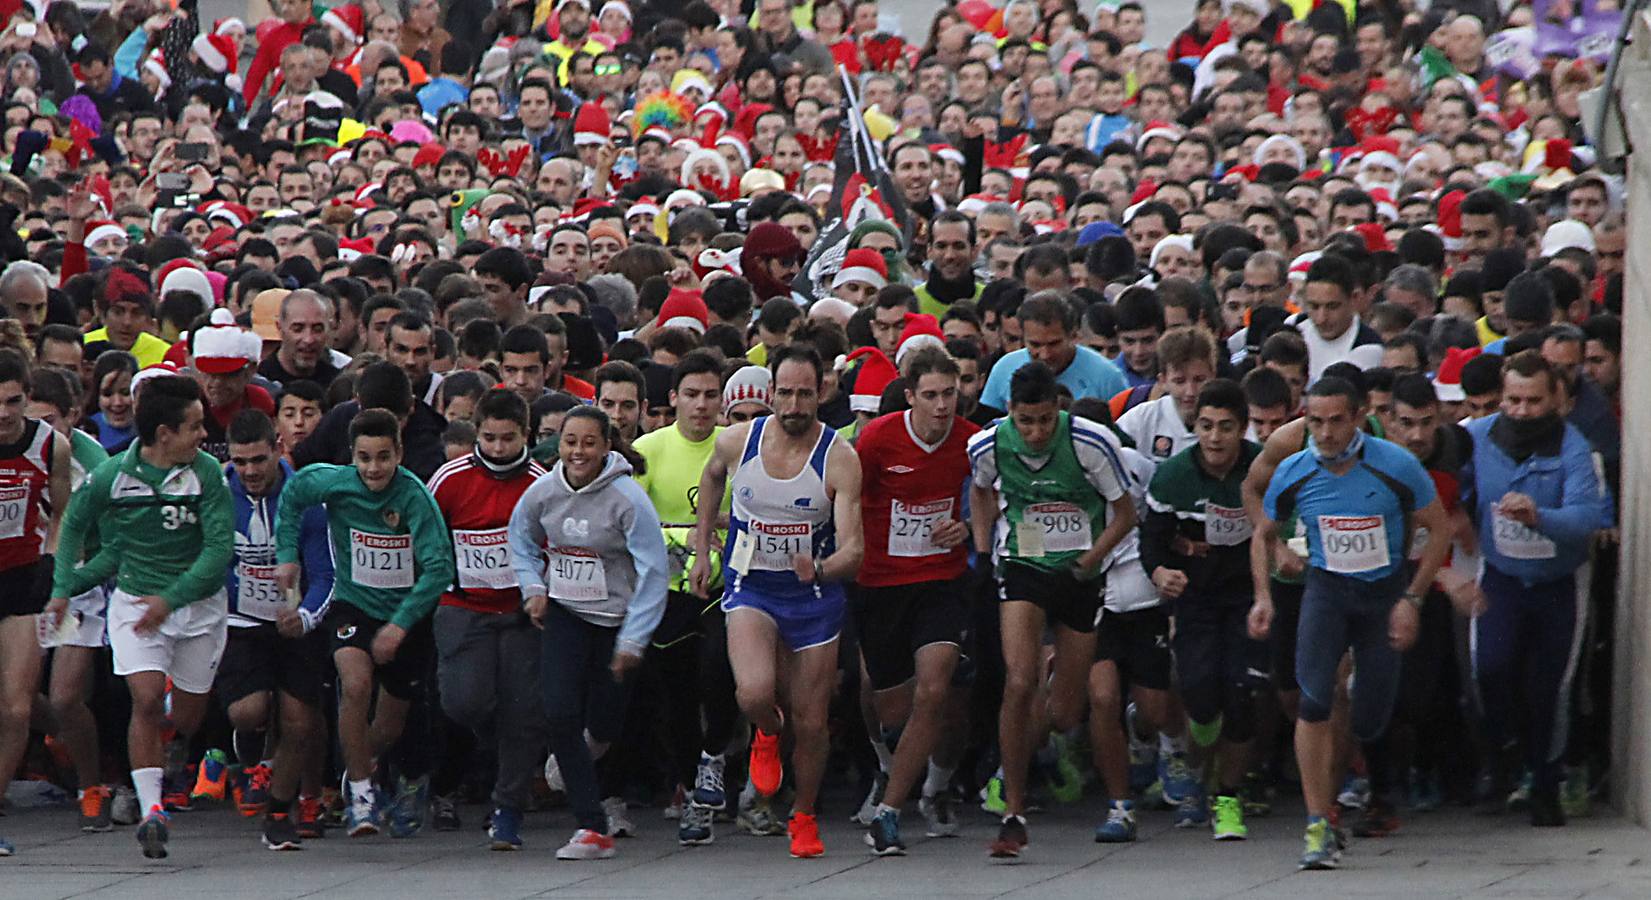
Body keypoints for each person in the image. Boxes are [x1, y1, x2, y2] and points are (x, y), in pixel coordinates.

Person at [1254, 376, 1459, 870]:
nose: (1324, 433)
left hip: (1382, 597)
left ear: (1361, 415)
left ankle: (1349, 779)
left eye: (1336, 421)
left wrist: (1411, 598)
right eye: (1315, 421)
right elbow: (1262, 532)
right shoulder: (1295, 470)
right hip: (1325, 592)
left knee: (1369, 716)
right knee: (1314, 699)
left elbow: (1440, 530)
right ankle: (1317, 823)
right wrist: (1264, 592)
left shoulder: (1395, 465)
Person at [689, 344, 865, 860]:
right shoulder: (737, 440)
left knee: (811, 722)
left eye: (803, 394)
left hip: (812, 598)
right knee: (753, 691)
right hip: (752, 586)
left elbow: (855, 549)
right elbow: (711, 477)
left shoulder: (838, 457)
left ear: (820, 393)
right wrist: (704, 552)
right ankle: (766, 732)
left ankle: (804, 814)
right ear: (771, 393)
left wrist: (824, 569)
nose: (792, 405)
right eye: (784, 393)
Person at [51, 375, 235, 860]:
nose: (203, 434)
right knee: (147, 699)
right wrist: (62, 589)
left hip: (198, 608)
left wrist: (171, 600)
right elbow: (74, 523)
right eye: (194, 426)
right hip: (135, 604)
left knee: (189, 717)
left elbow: (218, 552)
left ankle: (172, 739)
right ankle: (154, 811)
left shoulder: (208, 473)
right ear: (162, 434)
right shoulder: (113, 476)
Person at [967, 361, 1136, 860]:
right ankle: (1013, 811)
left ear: (1058, 412)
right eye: (1026, 422)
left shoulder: (1089, 443)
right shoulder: (989, 443)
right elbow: (979, 491)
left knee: (1064, 713)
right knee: (1018, 682)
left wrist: (1091, 559)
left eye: (1045, 421)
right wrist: (982, 550)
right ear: (1011, 414)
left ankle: (1057, 748)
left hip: (1080, 575)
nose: (1036, 433)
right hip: (1024, 565)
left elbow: (1125, 513)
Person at [275, 409, 455, 839]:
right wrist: (286, 554)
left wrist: (400, 625)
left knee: (388, 725)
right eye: (364, 458)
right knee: (354, 684)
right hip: (352, 605)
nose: (373, 468)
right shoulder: (332, 482)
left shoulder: (414, 498)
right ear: (351, 456)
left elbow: (439, 568)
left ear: (400, 454)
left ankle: (363, 766)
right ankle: (361, 796)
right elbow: (293, 495)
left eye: (383, 457)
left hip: (403, 616)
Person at [509, 406, 668, 861]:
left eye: (589, 443)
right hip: (565, 613)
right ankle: (591, 827)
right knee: (557, 710)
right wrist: (534, 587)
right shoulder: (542, 492)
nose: (578, 452)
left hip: (616, 624)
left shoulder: (627, 500)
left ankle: (582, 751)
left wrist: (634, 639)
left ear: (606, 447)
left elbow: (653, 572)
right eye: (570, 442)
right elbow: (519, 538)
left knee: (603, 723)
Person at [1462, 351, 1612, 826]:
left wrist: (1539, 517)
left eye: (1533, 401)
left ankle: (1546, 782)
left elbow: (1589, 518)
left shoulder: (1575, 449)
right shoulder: (1475, 438)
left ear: (1556, 401)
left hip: (1559, 584)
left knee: (1549, 689)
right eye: (1513, 400)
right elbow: (1441, 482)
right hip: (1502, 578)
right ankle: (1506, 754)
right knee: (1490, 669)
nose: (1522, 411)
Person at [853, 347, 980, 855]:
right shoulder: (878, 439)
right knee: (892, 711)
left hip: (941, 583)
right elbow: (843, 496)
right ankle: (894, 767)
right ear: (910, 397)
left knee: (935, 690)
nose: (942, 405)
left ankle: (891, 812)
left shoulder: (973, 443)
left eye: (950, 394)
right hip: (881, 585)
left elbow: (993, 502)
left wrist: (967, 527)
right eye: (930, 395)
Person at [1140, 380, 1266, 840]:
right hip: (1196, 598)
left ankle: (1228, 796)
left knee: (1241, 694)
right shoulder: (1173, 476)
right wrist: (1159, 573)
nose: (1215, 438)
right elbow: (1151, 538)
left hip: (1247, 596)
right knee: (1199, 694)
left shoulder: (1261, 468)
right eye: (1206, 427)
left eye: (1226, 428)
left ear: (1243, 429)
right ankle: (1196, 773)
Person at [426, 389, 549, 850]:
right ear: (476, 433)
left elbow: (551, 543)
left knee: (524, 714)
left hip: (520, 613)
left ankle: (508, 810)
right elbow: (430, 541)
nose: (498, 449)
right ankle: (491, 736)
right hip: (463, 608)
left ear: (526, 435)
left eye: (509, 439)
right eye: (490, 438)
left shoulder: (540, 482)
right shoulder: (450, 479)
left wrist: (541, 593)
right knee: (464, 702)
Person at [630, 350, 740, 846]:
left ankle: (714, 759)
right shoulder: (649, 449)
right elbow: (631, 520)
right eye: (691, 395)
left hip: (727, 586)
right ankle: (693, 785)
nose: (700, 406)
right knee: (677, 693)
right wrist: (686, 534)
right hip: (668, 590)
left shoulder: (737, 447)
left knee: (717, 670)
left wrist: (722, 529)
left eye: (710, 396)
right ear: (672, 398)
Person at [219, 409, 335, 849]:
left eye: (258, 460)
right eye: (240, 462)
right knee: (248, 711)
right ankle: (248, 748)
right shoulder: (217, 494)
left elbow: (326, 573)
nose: (249, 471)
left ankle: (279, 811)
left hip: (295, 623)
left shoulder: (305, 498)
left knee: (301, 723)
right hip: (241, 621)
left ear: (278, 450)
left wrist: (304, 615)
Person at [0, 350, 72, 857]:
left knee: (18, 709)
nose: (3, 413)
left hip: (22, 581)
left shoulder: (52, 446)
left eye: (12, 401)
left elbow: (65, 513)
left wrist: (54, 560)